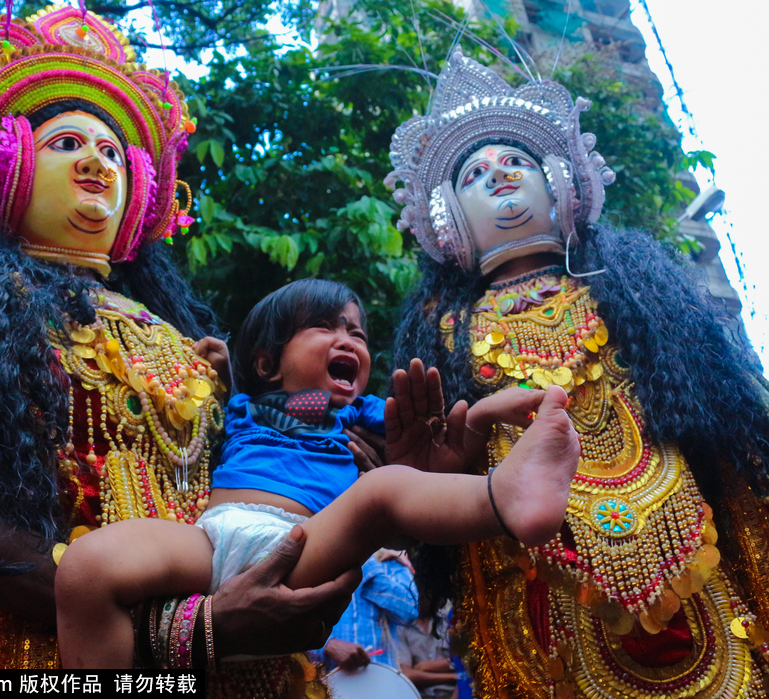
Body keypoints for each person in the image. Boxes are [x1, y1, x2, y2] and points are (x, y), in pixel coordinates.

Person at [0, 7, 362, 691]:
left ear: (142, 186)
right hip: (72, 650)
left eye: (113, 153)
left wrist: (359, 449)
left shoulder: (176, 339)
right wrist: (189, 626)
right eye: (65, 144)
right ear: (10, 165)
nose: (95, 163)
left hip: (244, 658)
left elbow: (250, 478)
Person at [389, 51, 769, 697]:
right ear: (449, 214)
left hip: (682, 526)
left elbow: (712, 419)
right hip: (539, 567)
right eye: (475, 173)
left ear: (560, 181)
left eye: (516, 163)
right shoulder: (447, 330)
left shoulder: (626, 291)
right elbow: (448, 472)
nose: (500, 176)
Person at [55, 278, 582, 668]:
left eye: (356, 332)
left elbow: (436, 425)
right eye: (324, 326)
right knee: (86, 567)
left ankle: (502, 498)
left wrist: (487, 411)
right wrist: (219, 364)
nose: (348, 339)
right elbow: (243, 390)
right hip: (212, 542)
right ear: (266, 364)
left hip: (305, 543)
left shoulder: (356, 411)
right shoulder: (243, 404)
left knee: (382, 490)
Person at [322, 550, 418, 671]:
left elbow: (410, 612)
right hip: (326, 680)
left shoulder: (392, 562)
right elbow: (294, 623)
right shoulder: (317, 561)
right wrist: (328, 645)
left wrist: (364, 561)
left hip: (382, 680)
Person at [396, 597, 457, 699]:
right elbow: (407, 675)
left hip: (453, 693)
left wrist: (426, 667)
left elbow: (465, 662)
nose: (423, 598)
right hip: (419, 695)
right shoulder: (401, 627)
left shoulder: (449, 620)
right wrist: (453, 677)